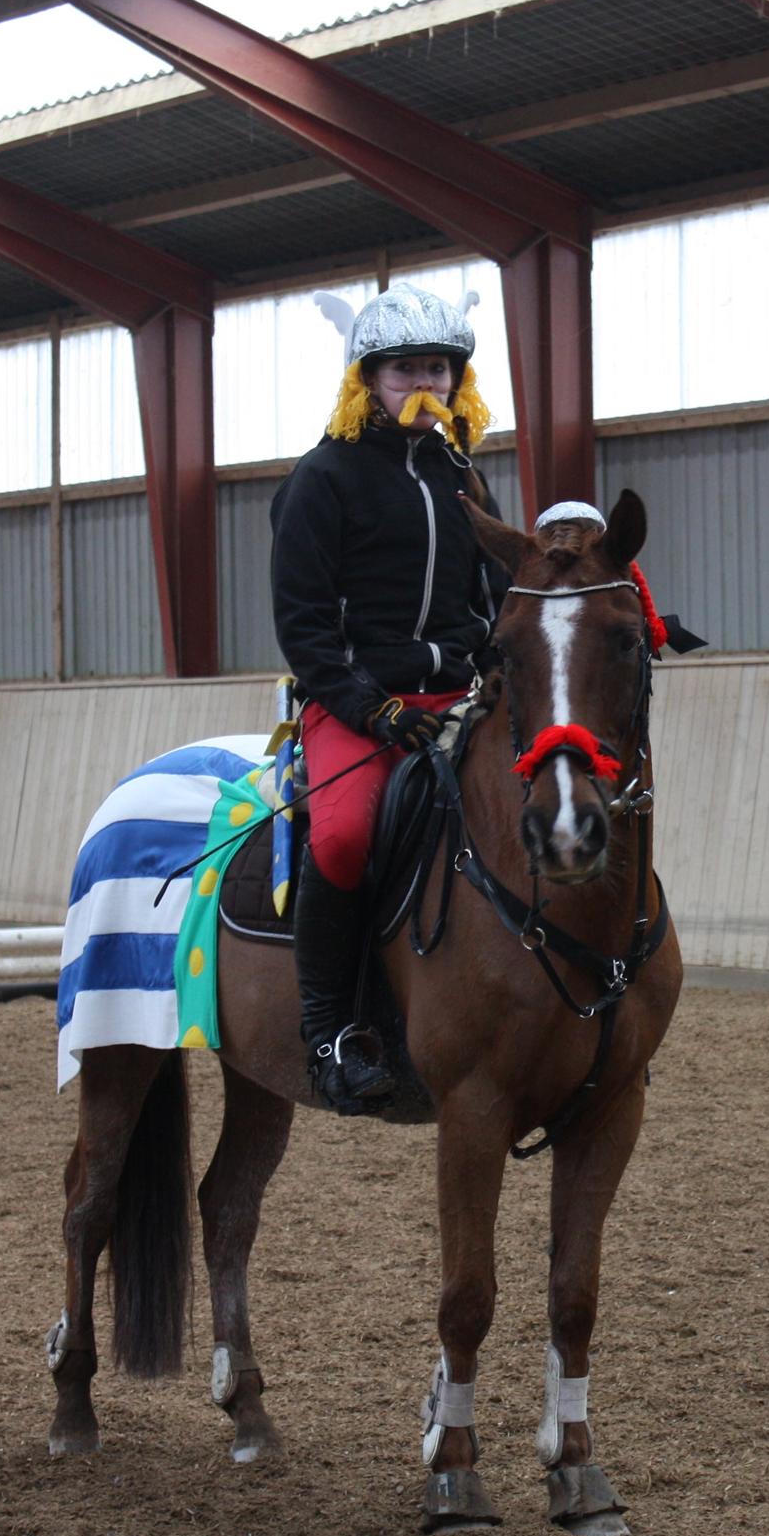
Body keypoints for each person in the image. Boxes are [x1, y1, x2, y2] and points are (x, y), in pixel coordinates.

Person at [270, 281, 509, 1113]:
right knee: (340, 839)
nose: (425, 384)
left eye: (438, 369)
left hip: (459, 699)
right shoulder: (320, 479)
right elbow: (303, 626)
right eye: (405, 368)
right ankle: (330, 1029)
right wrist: (372, 708)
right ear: (366, 379)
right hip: (357, 706)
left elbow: (502, 590)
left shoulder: (463, 478)